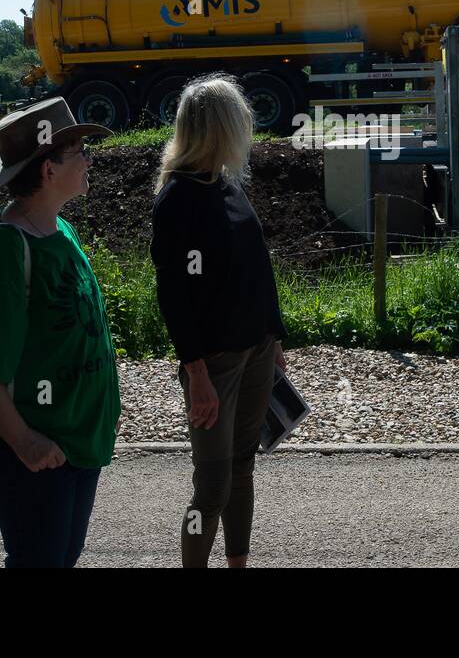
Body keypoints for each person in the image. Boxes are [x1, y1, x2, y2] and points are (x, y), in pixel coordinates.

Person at [0, 97, 121, 568]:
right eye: (79, 152)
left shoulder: (60, 229)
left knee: (59, 560)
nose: (89, 160)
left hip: (78, 443)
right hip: (39, 453)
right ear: (47, 169)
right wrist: (24, 440)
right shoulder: (7, 248)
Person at [150, 73, 289, 568]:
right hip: (215, 361)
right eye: (239, 122)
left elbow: (259, 264)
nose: (246, 131)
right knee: (211, 485)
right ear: (219, 129)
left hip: (254, 349)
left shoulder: (226, 185)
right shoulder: (179, 199)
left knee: (242, 466)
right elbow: (174, 295)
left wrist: (274, 336)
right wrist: (196, 372)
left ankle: (237, 563)